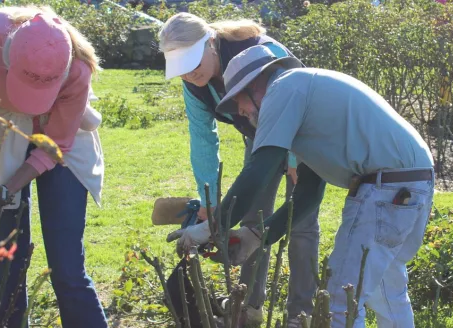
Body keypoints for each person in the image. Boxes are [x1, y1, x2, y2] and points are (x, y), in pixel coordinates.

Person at [170, 44, 435, 328]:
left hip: (386, 188)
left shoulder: (284, 88)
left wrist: (212, 227)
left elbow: (259, 169)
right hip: (412, 183)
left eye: (239, 103)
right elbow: (308, 192)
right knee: (385, 291)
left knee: (340, 298)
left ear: (254, 86)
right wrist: (258, 236)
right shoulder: (307, 96)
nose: (240, 112)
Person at [158, 13, 320, 327]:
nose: (189, 74)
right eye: (181, 67)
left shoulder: (261, 51)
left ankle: (300, 314)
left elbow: (298, 102)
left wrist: (293, 158)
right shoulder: (194, 86)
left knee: (299, 222)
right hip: (258, 139)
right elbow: (202, 136)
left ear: (211, 43)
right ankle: (249, 309)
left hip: (301, 137)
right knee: (251, 219)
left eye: (192, 62)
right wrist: (209, 202)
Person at [0, 5, 107, 327]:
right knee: (7, 258)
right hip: (1, 128)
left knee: (66, 267)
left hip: (65, 133)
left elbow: (56, 145)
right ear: (7, 60)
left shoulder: (77, 67)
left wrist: (8, 188)